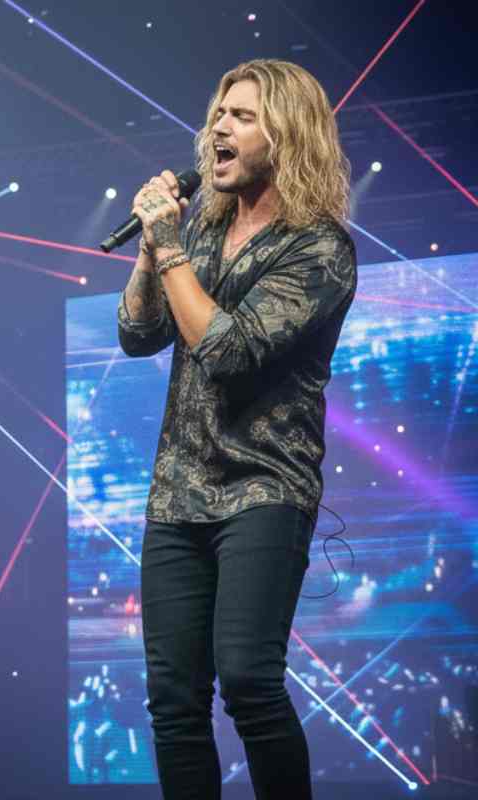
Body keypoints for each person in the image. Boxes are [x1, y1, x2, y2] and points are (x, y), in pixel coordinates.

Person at [116, 59, 356, 799]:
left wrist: (173, 248)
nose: (219, 125)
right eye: (219, 112)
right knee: (174, 702)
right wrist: (152, 248)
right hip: (178, 493)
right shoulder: (207, 229)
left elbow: (226, 349)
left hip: (263, 488)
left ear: (285, 137)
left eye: (242, 116)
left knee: (249, 680)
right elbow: (137, 331)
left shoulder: (318, 248)